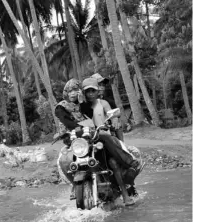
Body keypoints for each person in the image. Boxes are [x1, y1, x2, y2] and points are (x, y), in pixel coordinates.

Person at [55, 78, 142, 206]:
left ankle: (125, 191)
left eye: (76, 90)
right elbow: (65, 120)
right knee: (63, 160)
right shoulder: (60, 107)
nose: (73, 93)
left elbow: (90, 114)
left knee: (112, 162)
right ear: (65, 92)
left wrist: (114, 120)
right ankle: (75, 186)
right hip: (74, 139)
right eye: (70, 91)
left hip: (92, 135)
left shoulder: (95, 103)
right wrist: (76, 128)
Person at [84, 73, 124, 141]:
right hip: (89, 131)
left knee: (118, 126)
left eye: (103, 85)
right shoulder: (84, 102)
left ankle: (122, 145)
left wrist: (115, 119)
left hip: (106, 129)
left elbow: (115, 115)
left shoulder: (108, 101)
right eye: (99, 84)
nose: (102, 87)